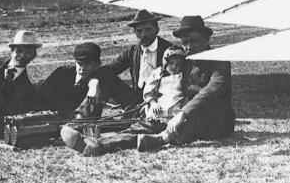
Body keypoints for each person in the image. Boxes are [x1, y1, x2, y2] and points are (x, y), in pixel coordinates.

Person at [67, 16, 235, 156]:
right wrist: (154, 104)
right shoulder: (183, 60)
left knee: (174, 124)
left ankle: (111, 145)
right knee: (151, 124)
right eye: (185, 43)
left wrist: (182, 114)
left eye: (193, 42)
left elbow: (209, 93)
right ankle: (95, 139)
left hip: (211, 117)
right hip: (177, 111)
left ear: (206, 39)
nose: (188, 47)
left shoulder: (220, 62)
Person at [34, 42, 125, 119]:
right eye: (79, 64)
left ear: (97, 65)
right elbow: (41, 97)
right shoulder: (62, 74)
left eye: (88, 64)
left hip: (84, 128)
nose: (83, 68)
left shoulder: (104, 79)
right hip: (54, 123)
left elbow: (129, 99)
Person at [106, 9, 171, 104]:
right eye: (139, 31)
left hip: (162, 99)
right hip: (136, 100)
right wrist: (94, 82)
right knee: (104, 77)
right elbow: (111, 69)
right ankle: (86, 116)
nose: (143, 35)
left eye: (148, 30)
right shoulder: (132, 52)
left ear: (156, 29)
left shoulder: (168, 50)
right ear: (135, 33)